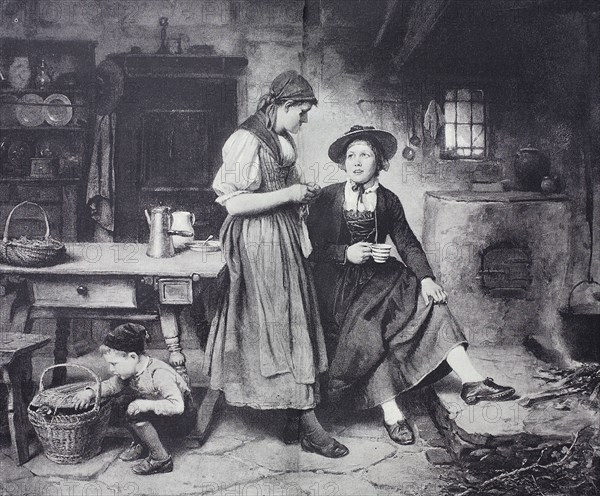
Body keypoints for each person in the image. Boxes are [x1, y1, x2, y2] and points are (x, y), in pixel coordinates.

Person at [307, 125, 515, 445]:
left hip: (383, 276)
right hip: (337, 284)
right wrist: (345, 252)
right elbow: (315, 249)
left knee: (432, 303)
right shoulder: (326, 198)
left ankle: (472, 381)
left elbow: (407, 243)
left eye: (365, 154)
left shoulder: (388, 200)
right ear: (343, 163)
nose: (357, 161)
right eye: (351, 155)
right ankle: (392, 415)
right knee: (371, 331)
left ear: (379, 162)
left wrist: (427, 278)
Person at [202, 70, 348, 458]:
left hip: (281, 237)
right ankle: (305, 421)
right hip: (258, 242)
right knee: (277, 324)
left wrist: (300, 197)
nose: (303, 121)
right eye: (300, 113)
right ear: (283, 107)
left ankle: (295, 416)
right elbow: (233, 203)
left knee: (291, 320)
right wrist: (289, 193)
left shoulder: (279, 139)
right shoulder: (244, 140)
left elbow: (279, 190)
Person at [73, 323, 195, 475]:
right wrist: (90, 393)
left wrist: (144, 404)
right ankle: (143, 444)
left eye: (114, 364)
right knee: (121, 403)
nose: (111, 369)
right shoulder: (130, 370)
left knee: (136, 411)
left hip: (181, 419)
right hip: (159, 412)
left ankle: (161, 459)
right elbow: (112, 386)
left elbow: (177, 406)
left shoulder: (159, 374)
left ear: (132, 357)